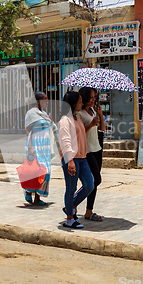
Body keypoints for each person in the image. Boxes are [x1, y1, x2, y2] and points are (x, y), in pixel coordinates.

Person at [58, 91, 94, 229]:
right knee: (71, 187)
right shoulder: (64, 121)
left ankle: (71, 205)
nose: (82, 103)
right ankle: (69, 219)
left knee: (89, 184)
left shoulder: (77, 118)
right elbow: (65, 141)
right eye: (79, 101)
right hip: (71, 159)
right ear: (73, 103)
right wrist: (70, 160)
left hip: (82, 158)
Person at [23, 91, 58, 205]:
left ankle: (38, 197)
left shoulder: (44, 114)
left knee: (45, 172)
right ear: (38, 101)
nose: (47, 101)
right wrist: (30, 148)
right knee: (35, 171)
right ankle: (28, 191)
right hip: (36, 145)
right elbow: (29, 131)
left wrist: (50, 120)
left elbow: (52, 128)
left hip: (45, 147)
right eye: (45, 99)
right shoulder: (31, 113)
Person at [75, 87, 105, 221]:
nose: (94, 99)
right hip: (87, 151)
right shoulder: (79, 114)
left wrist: (101, 115)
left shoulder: (93, 110)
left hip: (97, 148)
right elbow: (79, 133)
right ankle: (73, 202)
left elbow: (102, 129)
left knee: (95, 181)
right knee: (95, 180)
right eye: (91, 97)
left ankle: (89, 211)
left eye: (95, 97)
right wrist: (92, 124)